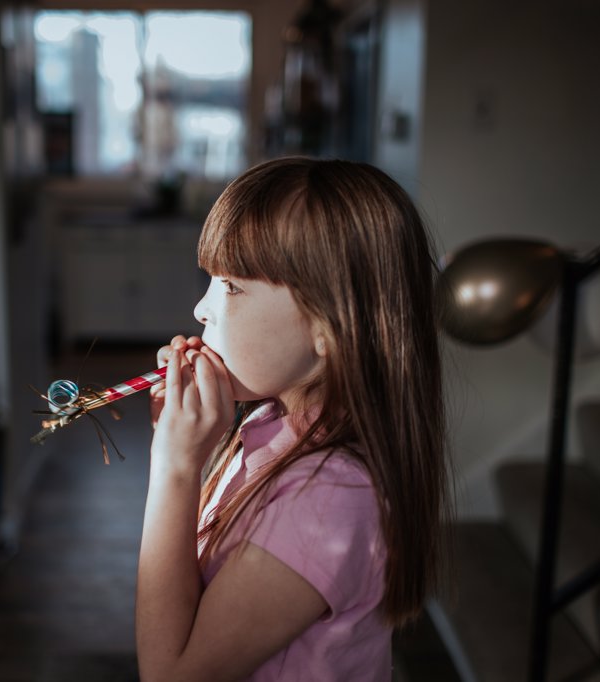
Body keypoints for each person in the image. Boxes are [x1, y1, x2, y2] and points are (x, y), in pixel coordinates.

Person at [138, 157, 449, 682]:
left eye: (232, 287)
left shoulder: (326, 500)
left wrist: (175, 468)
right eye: (210, 281)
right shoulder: (273, 426)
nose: (201, 308)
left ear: (332, 326)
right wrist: (197, 446)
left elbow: (170, 675)